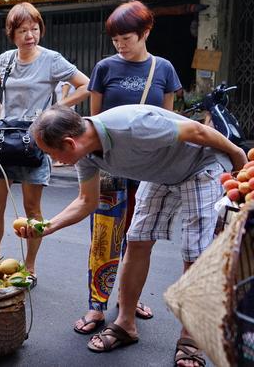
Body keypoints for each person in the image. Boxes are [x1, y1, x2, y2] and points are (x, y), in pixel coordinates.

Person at [17, 105, 246, 367]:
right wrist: (47, 227)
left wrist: (237, 154)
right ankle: (126, 324)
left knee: (195, 252)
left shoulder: (131, 126)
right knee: (137, 240)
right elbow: (86, 201)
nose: (54, 161)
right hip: (160, 173)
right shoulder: (87, 155)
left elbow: (198, 131)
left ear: (69, 143)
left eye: (51, 153)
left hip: (200, 167)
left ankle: (191, 337)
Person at [74, 0, 182, 335]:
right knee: (104, 236)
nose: (120, 45)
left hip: (149, 170)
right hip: (109, 167)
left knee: (137, 239)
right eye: (115, 39)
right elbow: (93, 123)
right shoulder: (105, 68)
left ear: (145, 32)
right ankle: (96, 306)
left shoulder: (163, 69)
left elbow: (170, 121)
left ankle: (129, 300)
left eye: (127, 38)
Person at [0, 2, 90, 280]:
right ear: (12, 34)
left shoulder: (52, 59)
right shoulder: (5, 60)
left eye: (34, 28)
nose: (30, 35)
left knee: (32, 209)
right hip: (5, 140)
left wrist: (56, 109)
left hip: (35, 142)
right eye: (22, 30)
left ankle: (29, 265)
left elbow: (86, 84)